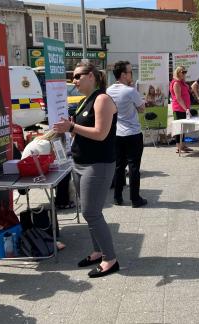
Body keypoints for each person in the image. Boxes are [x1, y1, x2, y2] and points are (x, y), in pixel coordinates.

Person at [53, 61, 120, 278]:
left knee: (91, 212)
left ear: (92, 76)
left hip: (98, 164)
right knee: (89, 212)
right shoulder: (85, 101)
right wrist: (70, 129)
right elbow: (82, 131)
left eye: (78, 76)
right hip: (81, 162)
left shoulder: (102, 99)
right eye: (73, 76)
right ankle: (97, 251)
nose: (74, 80)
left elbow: (100, 133)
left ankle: (110, 259)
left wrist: (72, 127)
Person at [107, 60, 148, 208]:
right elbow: (142, 109)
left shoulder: (109, 90)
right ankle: (135, 199)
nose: (132, 74)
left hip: (117, 133)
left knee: (119, 166)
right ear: (123, 74)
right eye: (130, 72)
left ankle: (117, 197)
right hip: (132, 134)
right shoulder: (131, 91)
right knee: (134, 167)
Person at [170, 66, 192, 153]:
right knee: (178, 128)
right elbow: (178, 98)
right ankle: (178, 146)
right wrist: (186, 108)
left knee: (183, 128)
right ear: (178, 72)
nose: (184, 74)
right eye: (183, 72)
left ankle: (182, 145)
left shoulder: (181, 82)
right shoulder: (176, 83)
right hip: (179, 108)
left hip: (184, 108)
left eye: (185, 72)